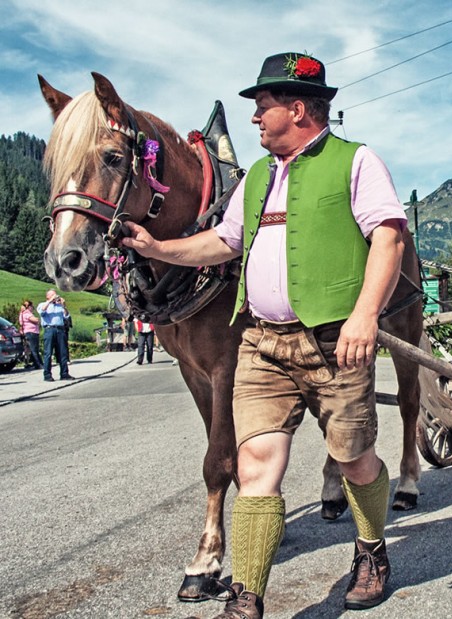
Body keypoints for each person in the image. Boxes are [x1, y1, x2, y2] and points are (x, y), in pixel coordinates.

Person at [122, 52, 406, 614]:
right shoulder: (255, 178)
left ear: (297, 108)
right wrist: (158, 249)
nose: (254, 117)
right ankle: (246, 596)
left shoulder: (357, 161)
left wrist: (365, 315)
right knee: (255, 466)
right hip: (262, 341)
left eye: (264, 106)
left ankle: (371, 549)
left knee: (354, 459)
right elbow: (222, 244)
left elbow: (390, 239)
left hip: (335, 342)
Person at [37, 290, 73, 382]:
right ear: (47, 296)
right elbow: (41, 312)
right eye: (53, 295)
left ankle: (64, 373)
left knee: (63, 352)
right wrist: (50, 301)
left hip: (60, 329)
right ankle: (47, 374)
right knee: (48, 353)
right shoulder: (42, 304)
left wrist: (64, 306)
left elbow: (66, 316)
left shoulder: (59, 306)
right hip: (49, 329)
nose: (55, 296)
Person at [18, 299, 42, 370]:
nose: (32, 308)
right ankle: (38, 364)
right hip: (31, 332)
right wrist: (37, 319)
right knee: (34, 349)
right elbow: (35, 320)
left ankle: (38, 363)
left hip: (30, 332)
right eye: (31, 306)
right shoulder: (26, 313)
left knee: (33, 349)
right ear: (29, 307)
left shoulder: (22, 314)